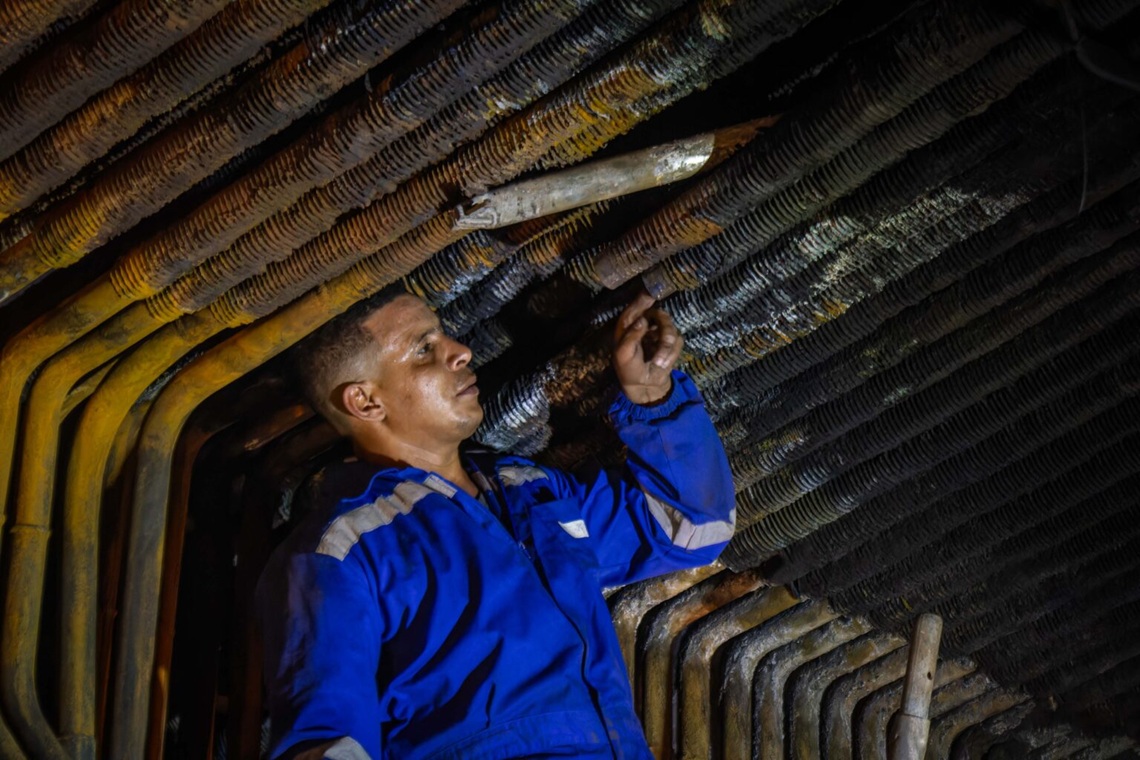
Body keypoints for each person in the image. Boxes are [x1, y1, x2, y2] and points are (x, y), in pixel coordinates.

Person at [256, 287, 735, 760]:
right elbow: (326, 743)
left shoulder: (529, 490)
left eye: (444, 337)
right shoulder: (340, 552)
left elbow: (691, 526)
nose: (461, 352)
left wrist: (652, 396)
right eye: (425, 350)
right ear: (364, 402)